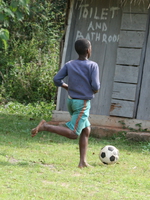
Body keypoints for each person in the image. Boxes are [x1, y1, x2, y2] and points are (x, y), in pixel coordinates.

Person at [31, 38, 100, 168]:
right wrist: (94, 90)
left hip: (71, 101)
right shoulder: (92, 65)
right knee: (74, 134)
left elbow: (57, 79)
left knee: (86, 129)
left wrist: (66, 86)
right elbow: (96, 86)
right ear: (88, 50)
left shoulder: (70, 64)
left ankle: (83, 162)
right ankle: (45, 126)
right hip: (82, 103)